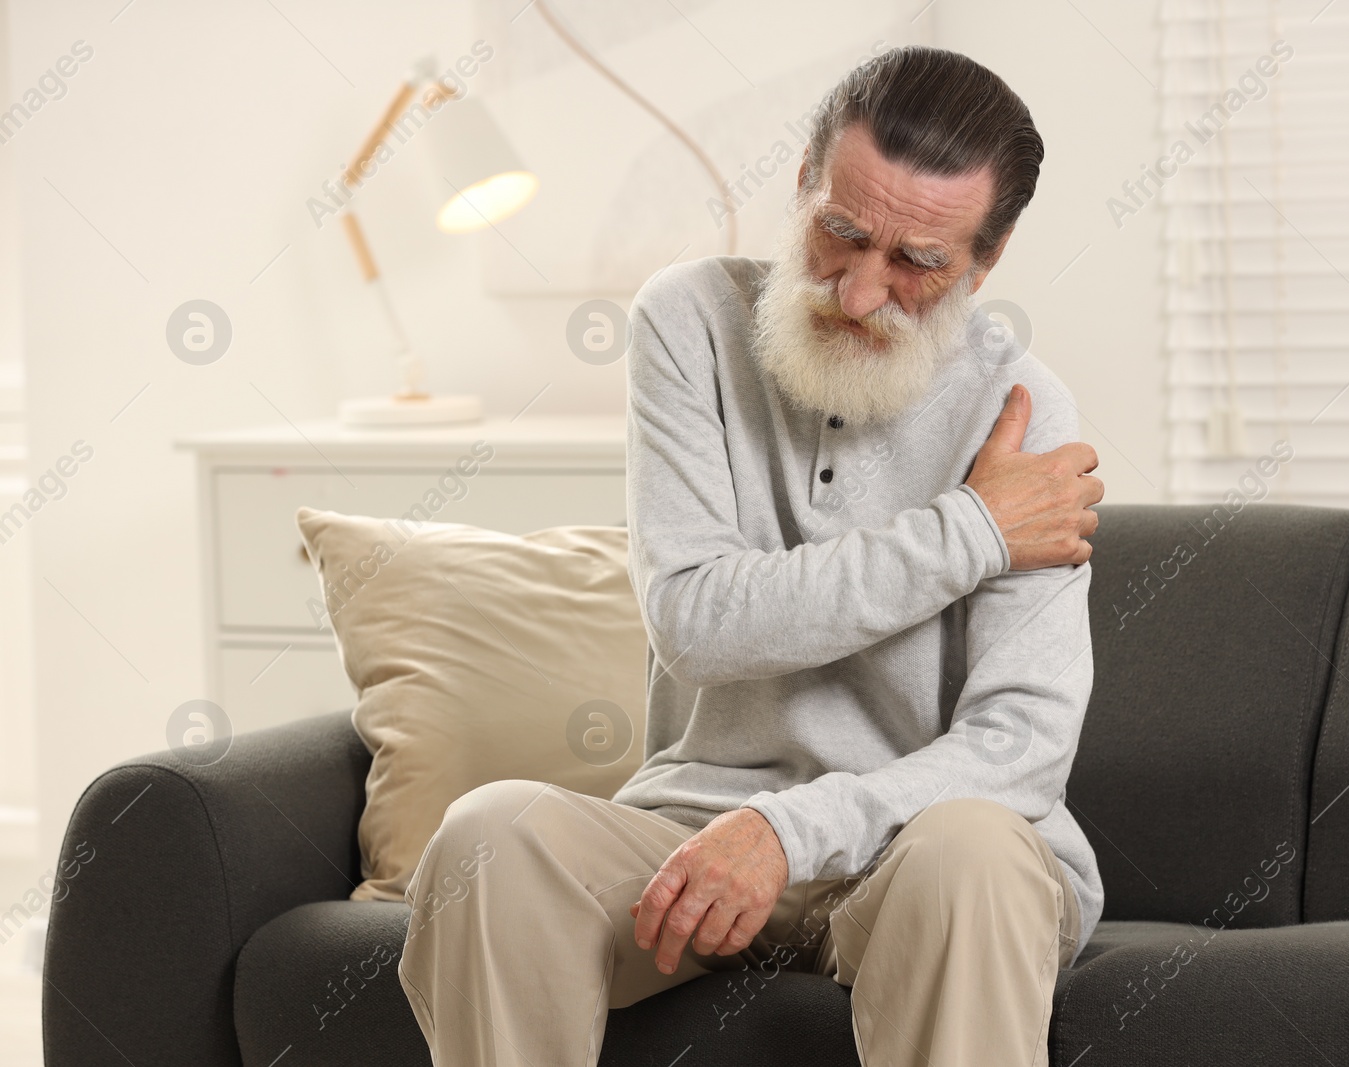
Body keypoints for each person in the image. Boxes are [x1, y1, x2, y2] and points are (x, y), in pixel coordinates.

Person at [398, 44, 1106, 1067]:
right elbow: (695, 619)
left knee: (972, 847)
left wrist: (789, 832)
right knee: (490, 837)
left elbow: (1022, 743)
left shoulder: (1025, 412)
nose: (861, 292)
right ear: (803, 180)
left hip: (913, 852)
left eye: (916, 265)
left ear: (982, 267)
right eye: (840, 233)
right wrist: (973, 530)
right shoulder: (688, 322)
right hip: (695, 827)